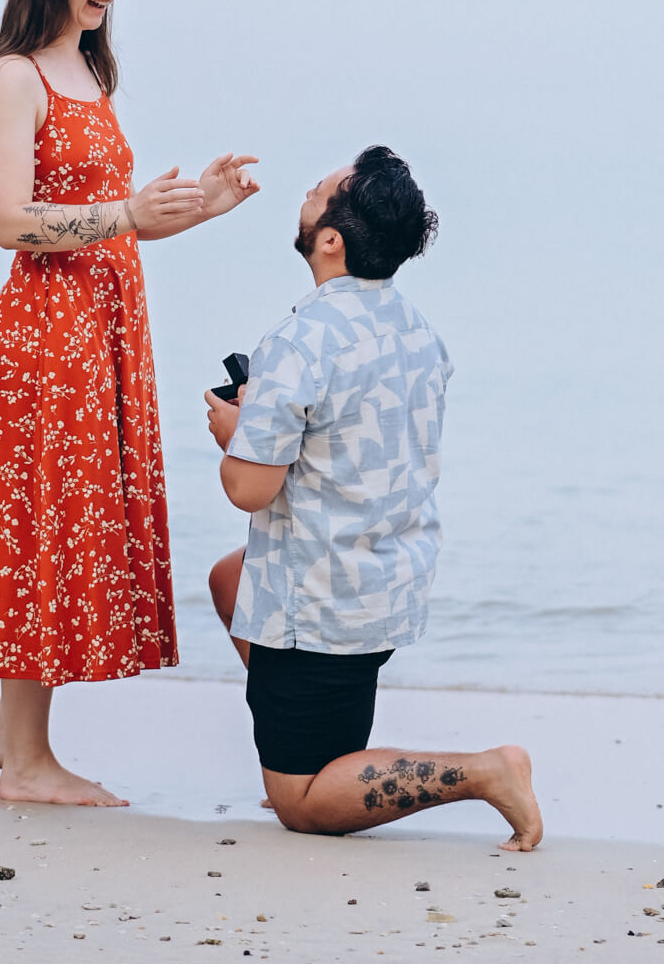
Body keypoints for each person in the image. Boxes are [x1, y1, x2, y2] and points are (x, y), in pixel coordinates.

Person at [0, 0, 258, 806]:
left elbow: (111, 229)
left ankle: (11, 733)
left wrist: (195, 206)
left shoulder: (89, 69)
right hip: (43, 341)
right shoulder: (11, 76)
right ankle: (30, 765)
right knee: (41, 529)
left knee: (66, 523)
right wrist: (123, 211)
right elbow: (9, 222)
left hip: (103, 332)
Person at [205, 148, 541, 850]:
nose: (306, 190)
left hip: (321, 597)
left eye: (318, 191)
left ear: (330, 239)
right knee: (230, 579)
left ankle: (483, 773)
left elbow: (248, 488)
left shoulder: (299, 341)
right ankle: (306, 744)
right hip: (387, 576)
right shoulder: (417, 329)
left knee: (299, 805)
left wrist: (237, 433)